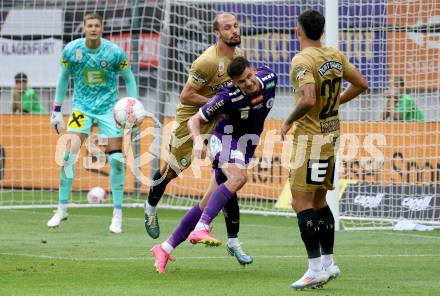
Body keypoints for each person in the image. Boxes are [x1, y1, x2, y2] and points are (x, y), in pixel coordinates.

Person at [144, 12, 253, 265]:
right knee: (170, 171)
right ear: (218, 33)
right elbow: (186, 95)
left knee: (229, 177)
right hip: (192, 120)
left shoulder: (238, 60)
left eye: (236, 26)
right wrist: (217, 105)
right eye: (227, 28)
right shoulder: (207, 61)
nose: (234, 31)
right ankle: (150, 207)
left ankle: (234, 242)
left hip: (220, 124)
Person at [151, 56, 277, 273]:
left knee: (206, 203)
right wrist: (199, 140)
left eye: (249, 76)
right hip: (224, 140)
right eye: (241, 81)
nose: (248, 83)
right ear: (234, 83)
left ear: (253, 71)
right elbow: (194, 120)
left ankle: (164, 247)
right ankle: (202, 228)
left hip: (246, 146)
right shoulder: (227, 97)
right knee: (238, 178)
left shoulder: (270, 79)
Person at [280, 10, 368, 290]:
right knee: (319, 202)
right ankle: (329, 263)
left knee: (301, 203)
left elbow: (307, 99)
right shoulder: (334, 56)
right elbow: (362, 84)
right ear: (321, 30)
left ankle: (314, 268)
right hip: (330, 137)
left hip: (309, 140)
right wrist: (335, 104)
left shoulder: (302, 60)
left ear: (298, 30)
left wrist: (288, 120)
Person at [47, 13, 138, 233]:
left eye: (97, 25)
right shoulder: (72, 50)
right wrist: (56, 110)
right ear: (84, 28)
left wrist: (133, 106)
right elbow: (63, 78)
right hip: (82, 109)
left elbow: (129, 77)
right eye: (90, 25)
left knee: (116, 161)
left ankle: (117, 214)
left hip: (108, 110)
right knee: (68, 156)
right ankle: (61, 209)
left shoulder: (114, 52)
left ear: (102, 28)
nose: (94, 28)